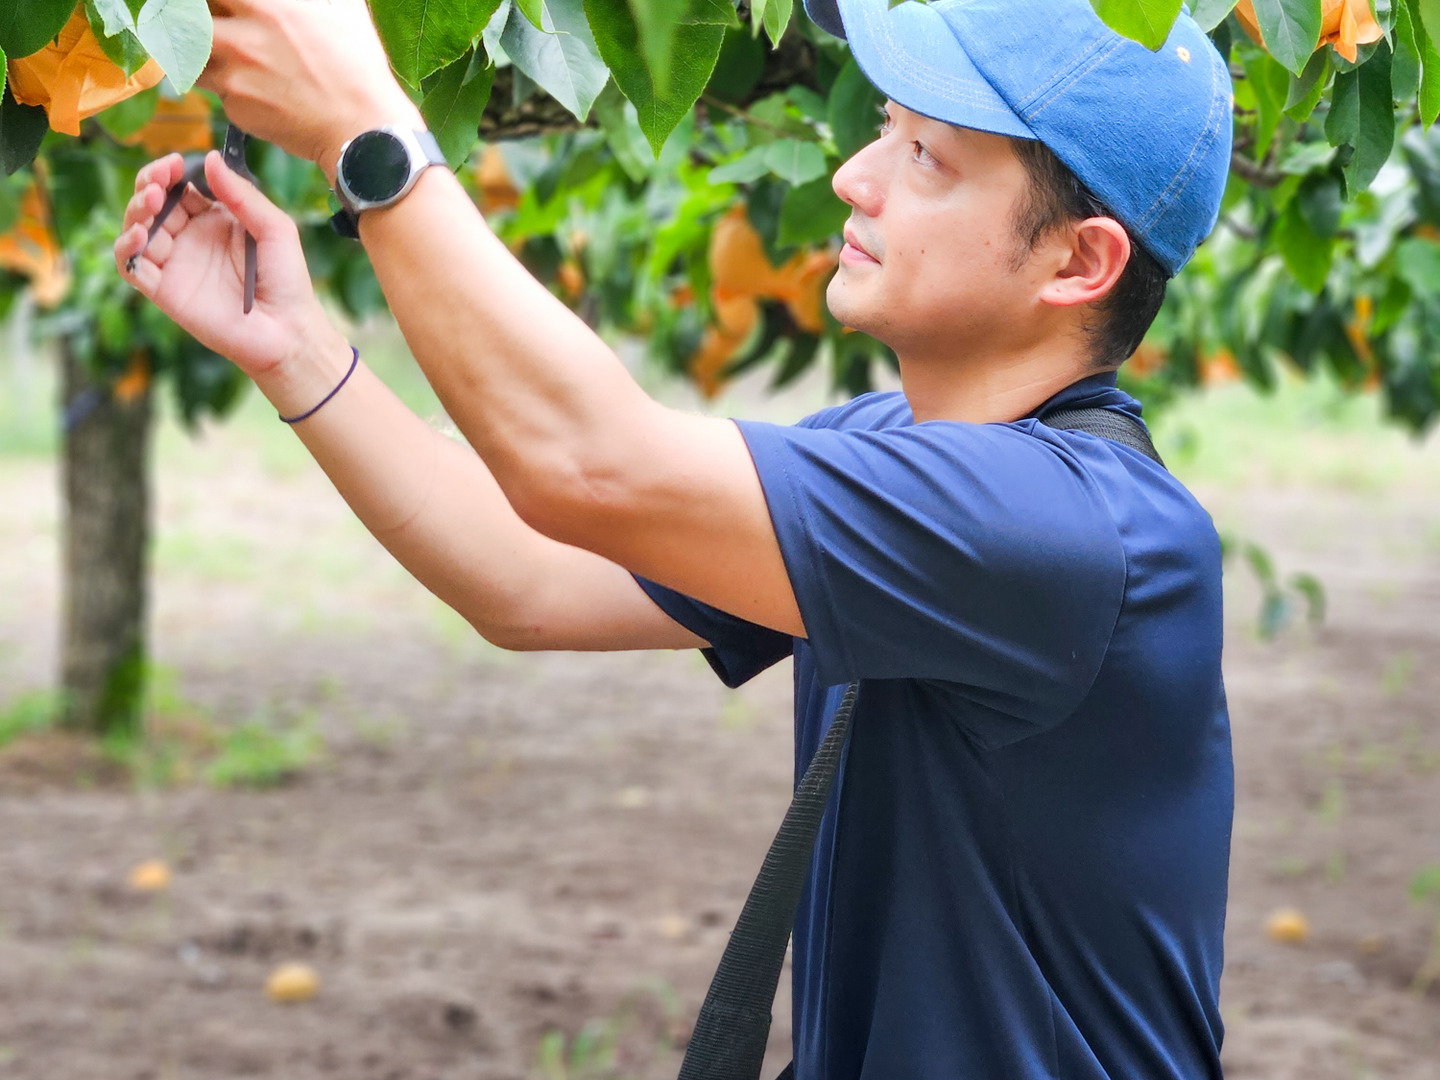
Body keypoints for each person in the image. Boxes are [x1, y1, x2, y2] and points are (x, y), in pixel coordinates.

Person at [113, 0, 1236, 1075]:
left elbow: (589, 462)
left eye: (926, 158)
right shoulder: (893, 451)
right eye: (886, 129)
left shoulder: (1073, 530)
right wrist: (298, 352)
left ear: (1079, 262)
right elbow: (529, 577)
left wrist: (370, 131)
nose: (854, 176)